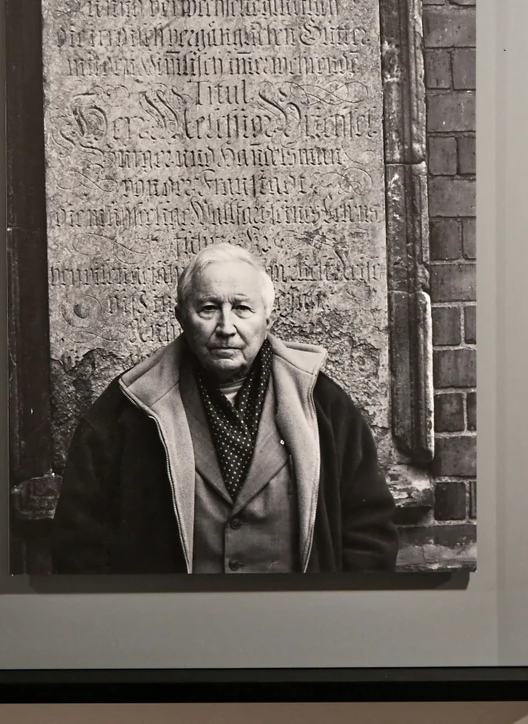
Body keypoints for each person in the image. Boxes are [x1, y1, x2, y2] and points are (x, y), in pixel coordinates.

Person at [51, 243, 398, 574]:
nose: (226, 328)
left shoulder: (322, 403)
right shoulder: (128, 408)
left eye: (242, 308)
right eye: (208, 308)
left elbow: (369, 531)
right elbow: (79, 544)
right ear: (181, 317)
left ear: (268, 319)